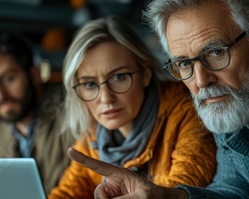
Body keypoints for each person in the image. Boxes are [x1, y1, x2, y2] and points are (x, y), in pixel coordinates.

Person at [66, 0, 249, 198]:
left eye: (216, 52)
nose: (201, 80)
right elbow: (235, 190)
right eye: (184, 63)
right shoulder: (232, 104)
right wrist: (169, 197)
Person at [48, 16, 217, 199]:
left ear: (145, 74)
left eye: (119, 77)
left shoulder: (186, 112)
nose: (106, 98)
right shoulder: (93, 137)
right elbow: (66, 193)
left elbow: (179, 189)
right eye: (89, 85)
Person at [0, 32, 76, 198]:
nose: (0, 94)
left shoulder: (71, 112)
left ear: (34, 74)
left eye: (9, 79)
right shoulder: (5, 129)